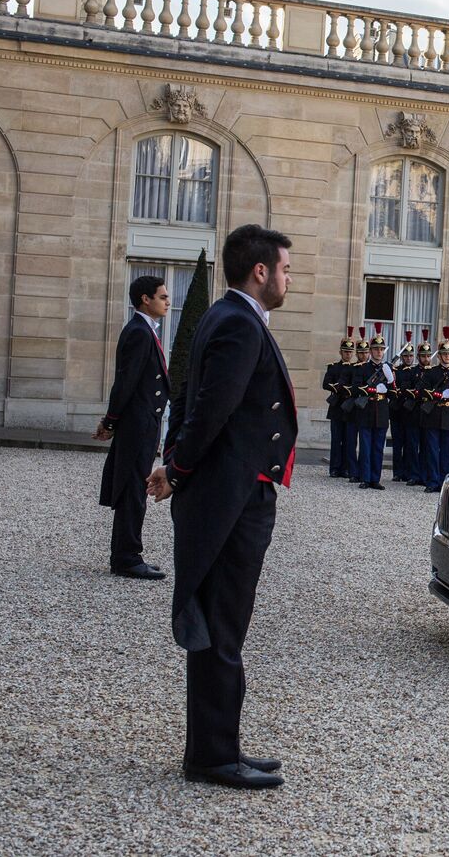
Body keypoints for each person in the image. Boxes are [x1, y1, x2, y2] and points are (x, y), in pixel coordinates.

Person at [146, 223, 295, 790]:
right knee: (223, 627)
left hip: (226, 491)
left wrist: (171, 461)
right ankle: (211, 757)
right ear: (260, 271)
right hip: (231, 497)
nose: (288, 279)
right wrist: (178, 470)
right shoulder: (237, 322)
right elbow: (207, 408)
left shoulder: (221, 315)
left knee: (223, 624)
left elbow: (186, 393)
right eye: (284, 269)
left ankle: (220, 745)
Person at [95, 273, 171, 580]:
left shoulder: (144, 329)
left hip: (143, 422)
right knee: (132, 489)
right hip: (137, 423)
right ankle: (127, 557)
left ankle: (125, 555)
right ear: (145, 299)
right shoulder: (140, 332)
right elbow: (125, 382)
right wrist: (110, 421)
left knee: (133, 487)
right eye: (163, 297)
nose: (168, 302)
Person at [419, 328, 449, 492]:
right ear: (439, 355)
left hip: (448, 415)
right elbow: (422, 391)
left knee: (446, 452)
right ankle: (432, 481)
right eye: (444, 354)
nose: (447, 356)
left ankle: (445, 482)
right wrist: (439, 395)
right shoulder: (431, 373)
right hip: (434, 414)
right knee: (432, 451)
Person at [354, 323, 393, 490]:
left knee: (378, 448)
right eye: (376, 349)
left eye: (381, 349)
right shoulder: (363, 368)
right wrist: (372, 389)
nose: (379, 352)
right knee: (365, 448)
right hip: (366, 411)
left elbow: (393, 391)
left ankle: (375, 479)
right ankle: (365, 478)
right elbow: (356, 388)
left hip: (381, 413)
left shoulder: (388, 368)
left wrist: (388, 385)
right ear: (370, 351)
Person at [322, 327, 353, 479]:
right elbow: (325, 384)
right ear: (341, 352)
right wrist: (337, 387)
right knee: (336, 440)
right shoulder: (334, 367)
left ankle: (346, 468)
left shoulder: (355, 368)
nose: (348, 354)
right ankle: (334, 468)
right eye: (346, 352)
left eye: (350, 352)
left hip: (348, 408)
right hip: (336, 406)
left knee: (348, 440)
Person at [390, 332, 419, 484]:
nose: (408, 358)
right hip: (397, 412)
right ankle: (397, 472)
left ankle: (409, 472)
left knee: (410, 445)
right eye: (406, 356)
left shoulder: (416, 372)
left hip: (411, 414)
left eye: (410, 356)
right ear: (402, 357)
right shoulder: (397, 371)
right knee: (397, 444)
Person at [343, 326, 370, 484]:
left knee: (365, 444)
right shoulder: (351, 368)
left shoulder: (371, 369)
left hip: (366, 409)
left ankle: (363, 471)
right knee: (351, 442)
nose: (363, 355)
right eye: (360, 352)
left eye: (365, 352)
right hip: (353, 408)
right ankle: (353, 471)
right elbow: (345, 385)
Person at [409, 330, 433, 483]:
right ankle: (414, 475)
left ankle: (424, 475)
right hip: (414, 412)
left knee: (426, 447)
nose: (426, 358)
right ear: (418, 357)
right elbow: (405, 388)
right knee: (413, 446)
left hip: (429, 414)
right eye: (423, 356)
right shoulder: (412, 372)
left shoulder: (434, 372)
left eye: (428, 356)